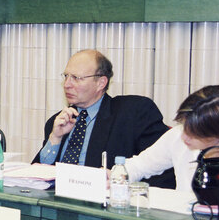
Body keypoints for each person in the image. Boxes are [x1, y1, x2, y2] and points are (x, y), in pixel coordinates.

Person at [33, 49, 173, 185]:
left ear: (101, 83)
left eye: (76, 78)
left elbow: (162, 174)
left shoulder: (134, 113)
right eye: (66, 76)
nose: (67, 85)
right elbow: (35, 177)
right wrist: (55, 139)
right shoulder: (57, 121)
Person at [124, 85, 219, 204]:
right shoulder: (177, 136)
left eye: (194, 134)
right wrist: (116, 175)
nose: (184, 137)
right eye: (184, 127)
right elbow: (139, 166)